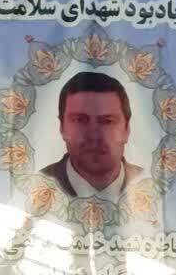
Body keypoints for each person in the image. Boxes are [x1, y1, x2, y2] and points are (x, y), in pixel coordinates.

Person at [39, 72, 145, 201]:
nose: (94, 136)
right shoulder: (32, 187)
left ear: (127, 129)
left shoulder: (154, 185)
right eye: (79, 120)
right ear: (62, 127)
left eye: (108, 121)